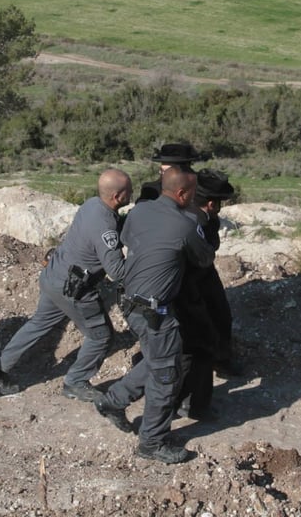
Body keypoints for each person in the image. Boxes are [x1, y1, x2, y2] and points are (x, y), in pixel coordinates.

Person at [93, 166, 215, 464]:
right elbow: (204, 258)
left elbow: (129, 241)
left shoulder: (138, 212)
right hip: (154, 310)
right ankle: (152, 442)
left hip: (129, 300)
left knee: (160, 358)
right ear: (182, 193)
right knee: (166, 374)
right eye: (193, 193)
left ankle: (113, 401)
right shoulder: (186, 224)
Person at [0, 169, 132, 400]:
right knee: (101, 336)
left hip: (54, 277)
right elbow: (117, 271)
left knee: (38, 324)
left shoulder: (92, 205)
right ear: (118, 196)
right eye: (129, 190)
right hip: (75, 289)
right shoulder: (106, 226)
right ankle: (76, 382)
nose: (132, 192)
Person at [174, 168, 238, 420]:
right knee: (199, 347)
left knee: (198, 342)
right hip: (189, 289)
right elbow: (202, 257)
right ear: (211, 203)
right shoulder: (196, 223)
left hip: (189, 285)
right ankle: (194, 404)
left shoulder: (182, 214)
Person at [137, 142, 203, 203]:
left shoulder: (199, 190)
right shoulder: (151, 190)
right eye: (162, 170)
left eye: (166, 171)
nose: (162, 173)